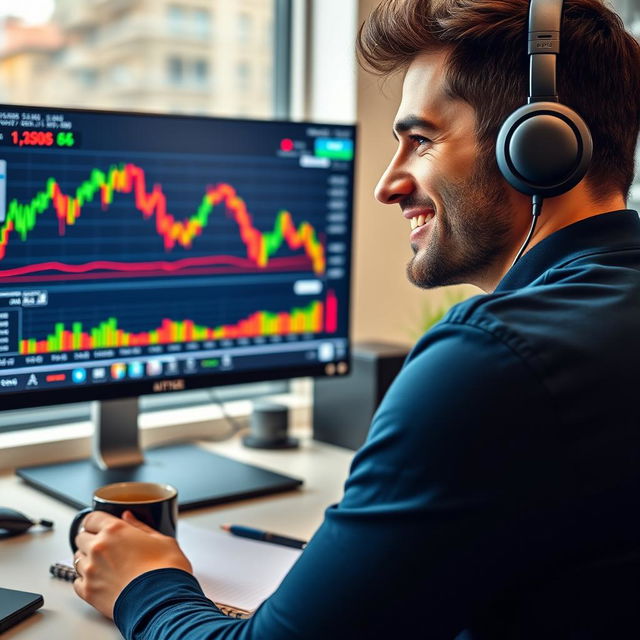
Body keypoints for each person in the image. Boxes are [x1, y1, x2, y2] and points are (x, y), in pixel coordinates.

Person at [72, 1, 640, 638]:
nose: (387, 184)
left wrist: (146, 586)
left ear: (539, 146)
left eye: (421, 140)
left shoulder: (495, 361)